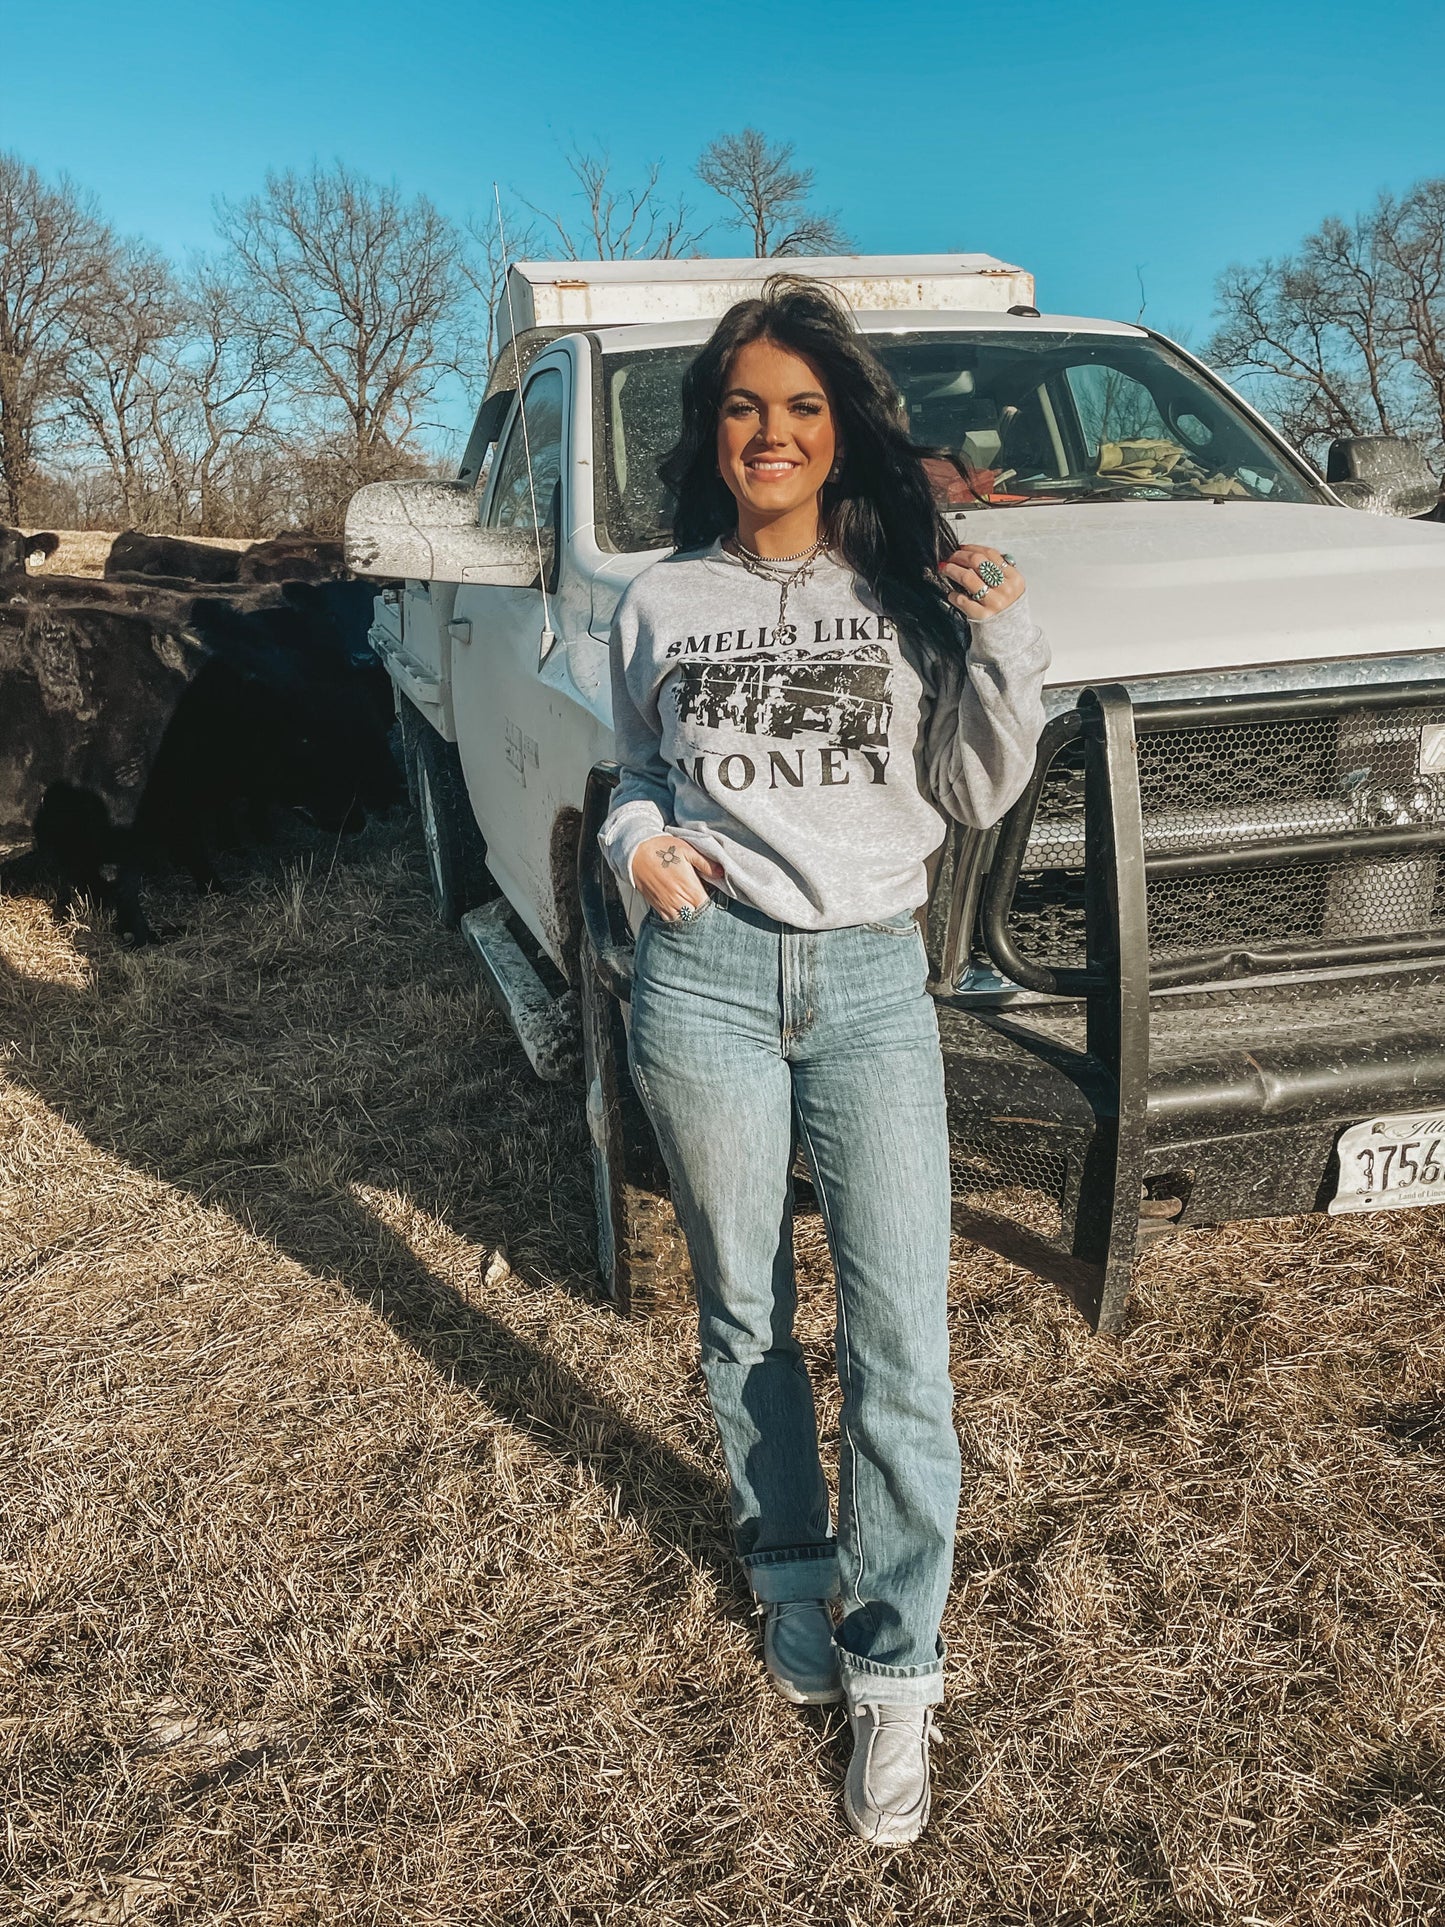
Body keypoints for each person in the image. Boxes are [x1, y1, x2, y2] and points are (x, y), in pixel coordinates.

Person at [599, 278, 1049, 1847]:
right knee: (743, 1307)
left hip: (867, 984)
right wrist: (636, 841)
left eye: (801, 406)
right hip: (704, 981)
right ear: (709, 431)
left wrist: (1003, 637)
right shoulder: (657, 601)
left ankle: (895, 1669)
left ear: (841, 428)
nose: (771, 432)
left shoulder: (910, 590)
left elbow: (978, 791)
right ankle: (788, 1566)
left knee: (899, 1340)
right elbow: (637, 767)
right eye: (742, 406)